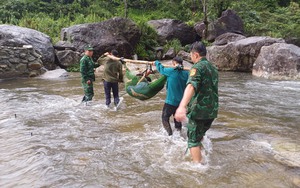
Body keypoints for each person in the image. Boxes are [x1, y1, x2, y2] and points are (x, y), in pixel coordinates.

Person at [175, 41, 219, 163]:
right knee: (198, 136)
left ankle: (198, 169)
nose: (191, 58)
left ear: (195, 54)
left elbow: (191, 86)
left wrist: (182, 106)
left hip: (199, 111)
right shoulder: (213, 68)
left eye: (191, 55)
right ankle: (200, 157)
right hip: (212, 111)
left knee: (193, 140)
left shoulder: (197, 67)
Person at [153, 57, 189, 136]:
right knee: (177, 118)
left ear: (174, 63)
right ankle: (179, 134)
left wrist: (156, 62)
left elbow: (161, 69)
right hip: (181, 102)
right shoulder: (187, 74)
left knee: (164, 118)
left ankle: (169, 135)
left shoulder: (171, 71)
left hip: (171, 101)